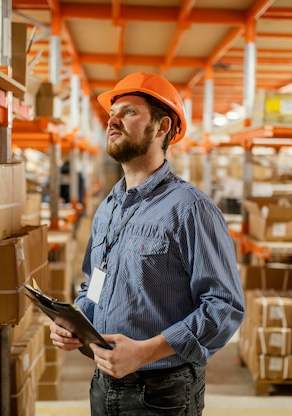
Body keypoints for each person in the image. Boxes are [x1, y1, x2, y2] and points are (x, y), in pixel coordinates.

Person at [49, 72, 245, 415]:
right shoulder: (108, 207)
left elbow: (224, 306)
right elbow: (95, 283)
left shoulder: (190, 208)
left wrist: (146, 351)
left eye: (129, 112)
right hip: (103, 383)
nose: (112, 119)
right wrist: (78, 323)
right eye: (113, 113)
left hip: (161, 394)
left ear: (162, 127)